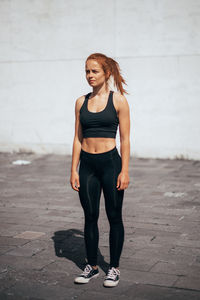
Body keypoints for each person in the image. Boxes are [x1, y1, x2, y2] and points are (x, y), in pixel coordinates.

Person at [70, 53, 130, 287]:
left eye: (94, 71)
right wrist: (74, 169)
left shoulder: (119, 101)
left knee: (114, 216)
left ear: (106, 73)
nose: (90, 75)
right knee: (90, 216)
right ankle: (92, 266)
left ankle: (113, 268)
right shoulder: (80, 102)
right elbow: (77, 138)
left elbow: (125, 139)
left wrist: (124, 170)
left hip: (110, 165)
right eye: (87, 71)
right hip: (87, 165)